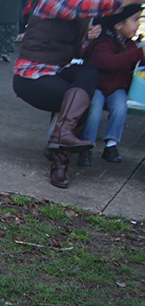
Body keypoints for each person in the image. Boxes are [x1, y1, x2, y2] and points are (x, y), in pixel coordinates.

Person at [12, 0, 142, 188]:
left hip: (58, 71)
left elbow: (77, 53)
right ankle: (59, 165)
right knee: (80, 102)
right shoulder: (52, 2)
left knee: (89, 74)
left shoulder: (77, 16)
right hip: (32, 76)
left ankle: (61, 136)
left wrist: (87, 39)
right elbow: (99, 5)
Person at [77, 5, 144, 167]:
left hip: (117, 89)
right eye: (135, 20)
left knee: (121, 108)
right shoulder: (103, 43)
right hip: (98, 86)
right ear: (118, 24)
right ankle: (86, 146)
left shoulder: (130, 45)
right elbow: (107, 62)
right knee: (94, 109)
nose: (138, 25)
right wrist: (137, 54)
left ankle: (111, 145)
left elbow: (135, 65)